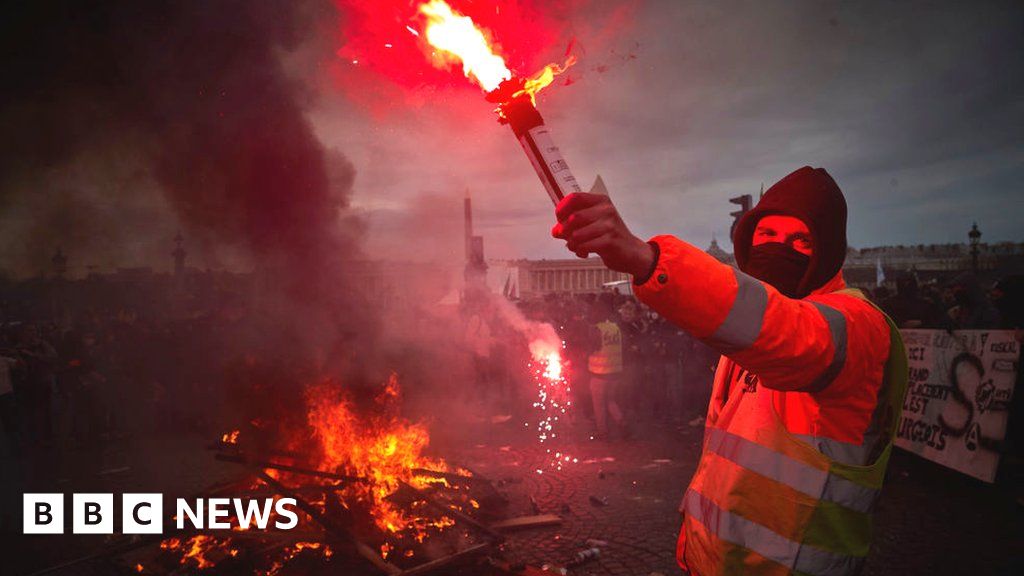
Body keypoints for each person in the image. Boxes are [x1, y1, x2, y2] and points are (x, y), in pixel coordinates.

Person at [552, 166, 908, 576]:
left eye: (801, 240)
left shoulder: (859, 325)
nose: (780, 248)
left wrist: (646, 259)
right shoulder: (743, 337)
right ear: (748, 239)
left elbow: (787, 330)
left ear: (827, 252)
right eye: (768, 235)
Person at [587, 297, 628, 440]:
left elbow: (591, 348)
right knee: (611, 400)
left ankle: (603, 433)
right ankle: (622, 423)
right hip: (615, 372)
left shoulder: (596, 329)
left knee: (599, 405)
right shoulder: (615, 327)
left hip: (600, 373)